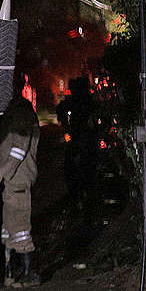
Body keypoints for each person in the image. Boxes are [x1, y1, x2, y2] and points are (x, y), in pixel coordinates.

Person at [0, 97, 40, 287]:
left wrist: (0, 174)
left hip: (16, 181)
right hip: (15, 182)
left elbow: (19, 149)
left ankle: (18, 274)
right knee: (14, 229)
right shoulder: (18, 114)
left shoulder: (20, 115)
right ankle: (18, 274)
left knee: (16, 229)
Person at [55, 76, 100, 207]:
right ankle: (82, 198)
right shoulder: (86, 100)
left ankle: (81, 198)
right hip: (81, 139)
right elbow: (61, 110)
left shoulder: (83, 100)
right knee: (81, 168)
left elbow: (61, 110)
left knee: (79, 168)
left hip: (84, 139)